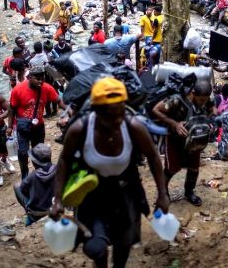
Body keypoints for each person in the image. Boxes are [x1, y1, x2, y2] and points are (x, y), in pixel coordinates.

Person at [51, 78, 169, 268]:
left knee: (123, 244)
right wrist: (57, 199)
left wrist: (162, 194)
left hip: (126, 193)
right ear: (96, 112)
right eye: (110, 116)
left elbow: (154, 158)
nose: (116, 121)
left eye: (120, 114)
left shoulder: (133, 127)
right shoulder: (80, 129)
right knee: (95, 248)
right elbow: (64, 160)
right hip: (92, 194)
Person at [153, 81, 213, 206]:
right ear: (193, 93)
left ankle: (189, 192)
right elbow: (156, 110)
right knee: (171, 168)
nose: (203, 102)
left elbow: (211, 111)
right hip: (174, 139)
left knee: (194, 168)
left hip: (194, 139)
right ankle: (163, 193)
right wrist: (175, 124)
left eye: (205, 100)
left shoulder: (208, 100)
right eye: (201, 99)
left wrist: (208, 123)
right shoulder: (177, 100)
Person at [10, 66, 63, 180]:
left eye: (42, 78)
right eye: (37, 78)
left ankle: (39, 173)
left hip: (38, 126)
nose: (40, 81)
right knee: (23, 152)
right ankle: (24, 174)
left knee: (37, 151)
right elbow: (12, 108)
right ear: (29, 78)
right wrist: (9, 127)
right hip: (23, 127)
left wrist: (69, 110)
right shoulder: (17, 90)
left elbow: (58, 101)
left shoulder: (47, 88)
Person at [14, 143, 56, 225]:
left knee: (16, 186)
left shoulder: (32, 177)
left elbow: (23, 190)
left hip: (37, 213)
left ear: (34, 163)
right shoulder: (58, 168)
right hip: (55, 206)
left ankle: (29, 212)